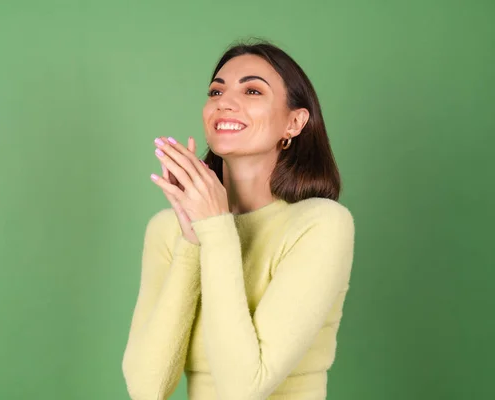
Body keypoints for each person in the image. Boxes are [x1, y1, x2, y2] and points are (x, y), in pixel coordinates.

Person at [122, 40, 355, 400]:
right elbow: (146, 389)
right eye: (216, 90)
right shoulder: (167, 229)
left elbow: (242, 389)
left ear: (294, 122)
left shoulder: (320, 224)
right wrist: (191, 241)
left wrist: (215, 231)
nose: (224, 102)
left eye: (252, 90)